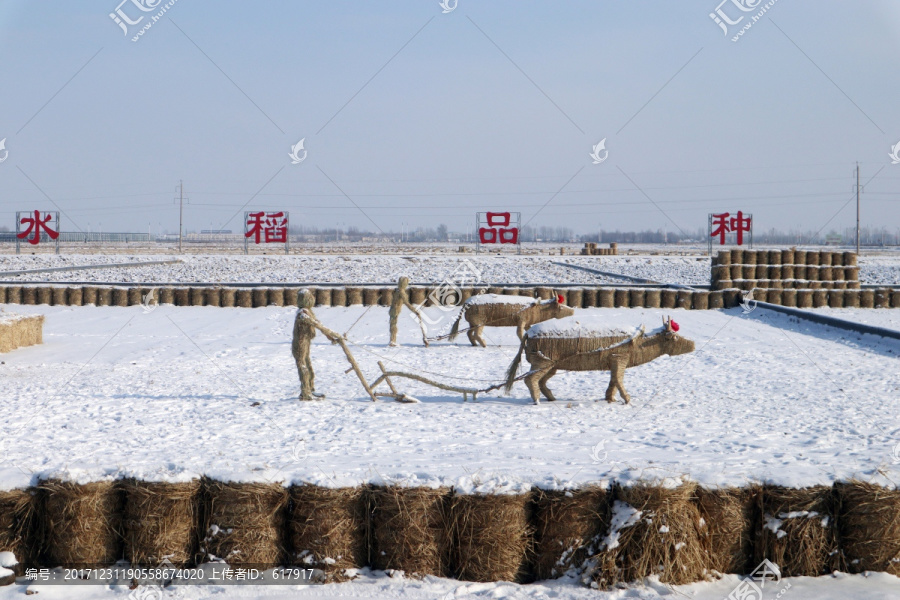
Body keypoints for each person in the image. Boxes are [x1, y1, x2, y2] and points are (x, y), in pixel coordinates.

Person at [292, 289, 326, 400]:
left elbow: (318, 323)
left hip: (306, 343)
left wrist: (330, 336)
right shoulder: (302, 313)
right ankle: (305, 392)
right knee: (303, 367)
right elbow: (314, 323)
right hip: (300, 344)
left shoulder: (309, 311)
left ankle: (311, 388)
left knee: (308, 366)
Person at [388, 276, 428, 347]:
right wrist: (415, 310)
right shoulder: (401, 292)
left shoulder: (397, 290)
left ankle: (392, 340)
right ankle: (392, 341)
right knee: (393, 326)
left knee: (393, 325)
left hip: (393, 310)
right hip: (395, 310)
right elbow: (406, 303)